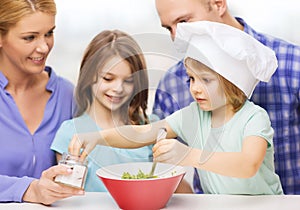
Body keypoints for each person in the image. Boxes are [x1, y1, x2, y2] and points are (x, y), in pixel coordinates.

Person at [68, 21, 283, 195]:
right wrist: (99, 137)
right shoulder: (193, 115)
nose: (195, 88)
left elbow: (248, 164)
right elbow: (142, 133)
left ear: (232, 83)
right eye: (191, 79)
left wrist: (189, 155)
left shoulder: (254, 118)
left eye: (206, 80)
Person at [152, 0, 300, 195]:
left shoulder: (293, 64)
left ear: (218, 4)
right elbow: (157, 163)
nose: (176, 37)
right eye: (168, 28)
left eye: (183, 22)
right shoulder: (172, 84)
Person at [0, 0, 84, 205]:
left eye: (49, 33)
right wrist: (29, 190)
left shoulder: (67, 95)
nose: (44, 47)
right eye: (30, 37)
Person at [51, 30, 156, 191]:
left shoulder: (150, 128)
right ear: (89, 75)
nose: (118, 88)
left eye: (128, 81)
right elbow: (67, 196)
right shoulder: (70, 133)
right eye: (108, 78)